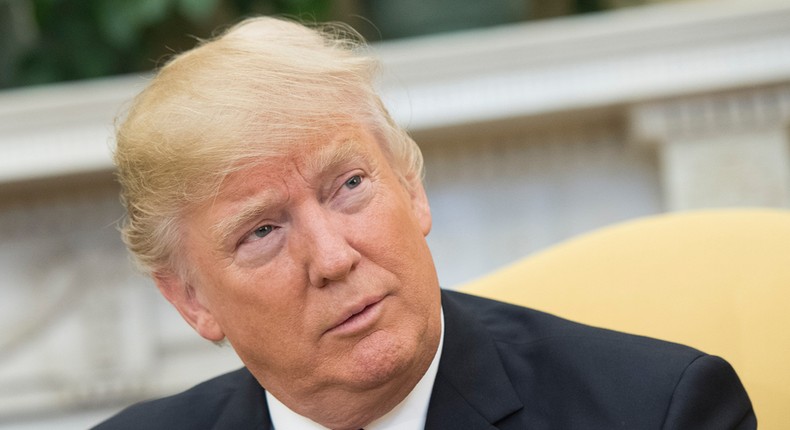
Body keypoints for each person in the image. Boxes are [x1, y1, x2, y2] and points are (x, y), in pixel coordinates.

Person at [95, 17, 755, 430]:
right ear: (190, 299)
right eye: (262, 232)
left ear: (411, 188)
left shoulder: (658, 411)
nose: (333, 258)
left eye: (350, 185)